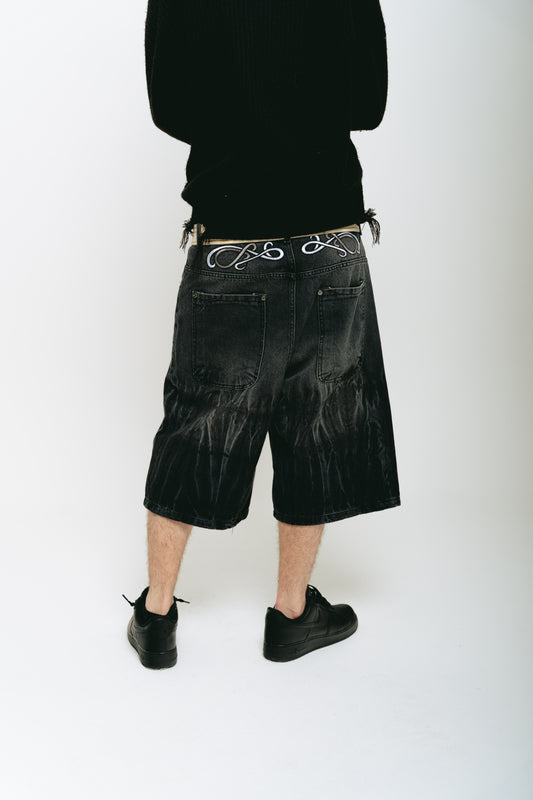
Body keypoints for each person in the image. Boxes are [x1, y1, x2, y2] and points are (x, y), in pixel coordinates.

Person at [123, 0, 401, 669]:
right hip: (328, 230)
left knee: (196, 423)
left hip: (231, 232)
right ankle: (292, 615)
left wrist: (242, 107)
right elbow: (367, 104)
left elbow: (170, 107)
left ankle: (156, 617)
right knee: (318, 419)